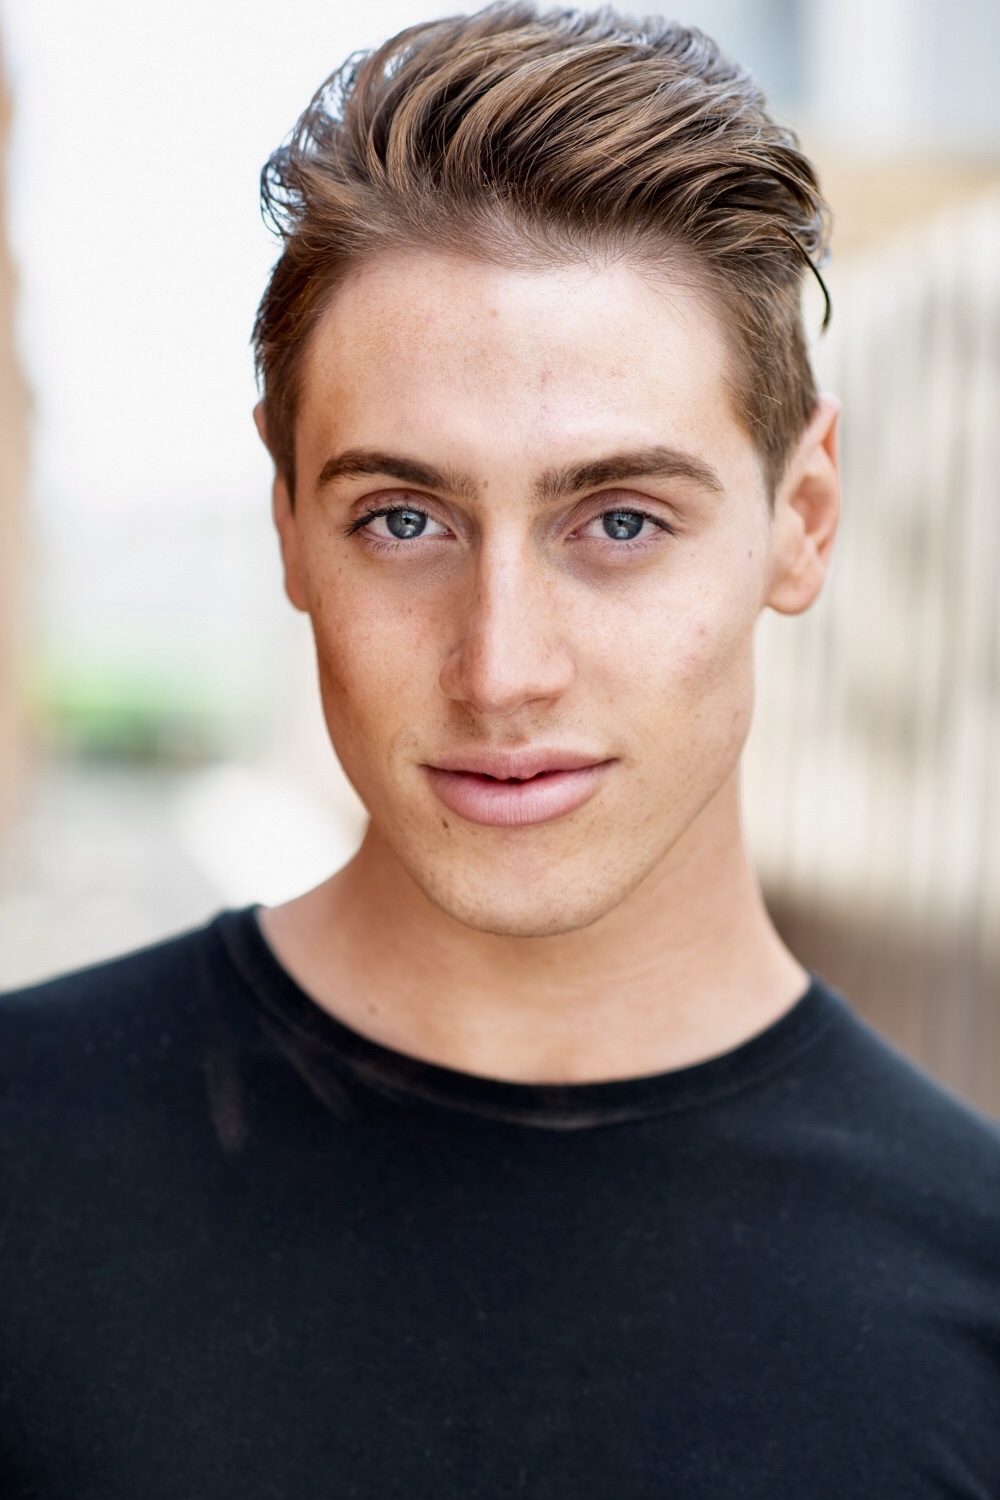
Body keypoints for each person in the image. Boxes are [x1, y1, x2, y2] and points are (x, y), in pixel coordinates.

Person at [2, 5, 999, 1495]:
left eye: (621, 521)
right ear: (290, 525)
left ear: (802, 520)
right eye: (404, 519)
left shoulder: (973, 1298)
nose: (501, 668)